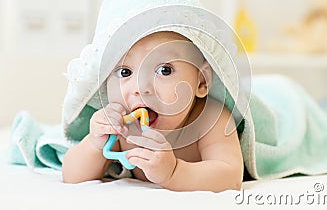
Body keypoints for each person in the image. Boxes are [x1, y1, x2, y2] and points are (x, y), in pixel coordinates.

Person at [62, 31, 244, 192]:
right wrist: (94, 144)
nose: (141, 88)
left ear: (202, 81)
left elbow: (231, 176)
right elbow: (72, 176)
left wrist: (174, 172)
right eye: (125, 72)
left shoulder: (210, 118)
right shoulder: (120, 128)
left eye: (164, 70)